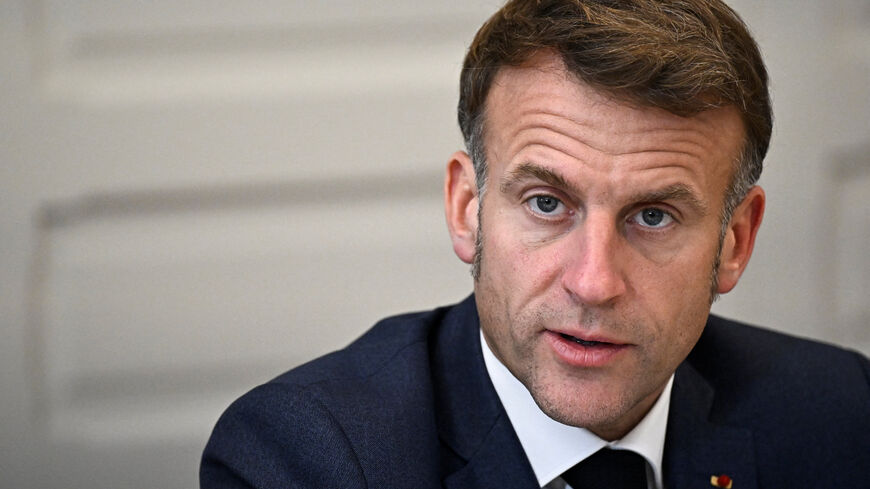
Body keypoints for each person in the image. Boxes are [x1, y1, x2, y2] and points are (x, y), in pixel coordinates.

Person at [201, 0, 870, 487]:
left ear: (735, 241)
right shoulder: (309, 458)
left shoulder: (840, 412)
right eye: (547, 203)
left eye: (655, 216)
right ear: (468, 209)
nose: (594, 281)